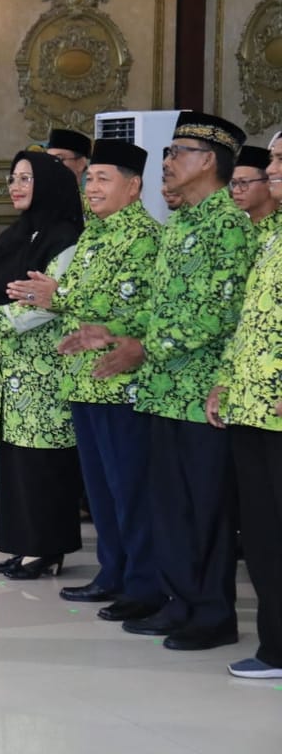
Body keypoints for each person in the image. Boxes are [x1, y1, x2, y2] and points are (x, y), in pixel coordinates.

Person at [60, 112, 254, 651]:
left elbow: (215, 314)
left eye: (177, 152)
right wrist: (111, 333)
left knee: (204, 513)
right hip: (161, 392)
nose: (167, 162)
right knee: (169, 508)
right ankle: (178, 602)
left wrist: (143, 347)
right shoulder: (182, 224)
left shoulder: (227, 225)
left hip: (202, 396)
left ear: (208, 160)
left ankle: (211, 614)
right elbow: (157, 310)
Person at [34, 140, 164, 621]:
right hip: (84, 381)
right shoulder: (93, 235)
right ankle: (112, 572)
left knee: (130, 487)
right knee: (102, 489)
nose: (92, 187)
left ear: (134, 187)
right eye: (90, 178)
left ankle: (143, 583)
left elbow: (136, 310)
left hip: (121, 383)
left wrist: (60, 295)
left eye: (104, 178)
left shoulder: (145, 238)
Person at [0, 151, 84, 579]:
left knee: (43, 460)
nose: (15, 185)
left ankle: (47, 548)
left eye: (26, 178)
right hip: (11, 371)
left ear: (49, 183)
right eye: (12, 177)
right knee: (15, 459)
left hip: (47, 369)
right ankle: (24, 543)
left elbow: (49, 305)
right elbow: (6, 295)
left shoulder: (66, 238)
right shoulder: (15, 236)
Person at [205, 129, 282, 679]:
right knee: (260, 533)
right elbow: (249, 323)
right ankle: (275, 646)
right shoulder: (272, 235)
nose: (272, 166)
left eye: (281, 158)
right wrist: (225, 382)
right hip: (252, 405)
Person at [230, 144, 278, 228]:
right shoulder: (237, 228)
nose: (236, 191)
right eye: (234, 183)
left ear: (269, 183)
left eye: (243, 182)